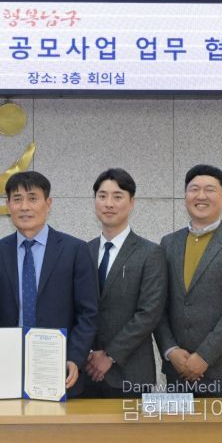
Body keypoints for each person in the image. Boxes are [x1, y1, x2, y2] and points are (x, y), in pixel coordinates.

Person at [0, 170, 98, 396]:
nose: (24, 207)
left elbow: (88, 313)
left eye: (33, 198)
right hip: (5, 367)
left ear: (48, 203)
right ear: (8, 205)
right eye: (17, 199)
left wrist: (74, 358)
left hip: (59, 368)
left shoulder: (75, 250)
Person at [155, 164, 222, 397]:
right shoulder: (168, 243)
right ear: (185, 196)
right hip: (177, 368)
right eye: (194, 189)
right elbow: (158, 305)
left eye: (210, 190)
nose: (201, 196)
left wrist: (204, 356)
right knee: (177, 424)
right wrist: (171, 350)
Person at [81, 168, 166, 398]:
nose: (109, 203)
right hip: (84, 371)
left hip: (130, 373)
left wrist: (109, 355)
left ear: (132, 202)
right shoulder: (83, 251)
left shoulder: (150, 253)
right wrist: (88, 353)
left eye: (117, 196)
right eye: (102, 196)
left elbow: (149, 313)